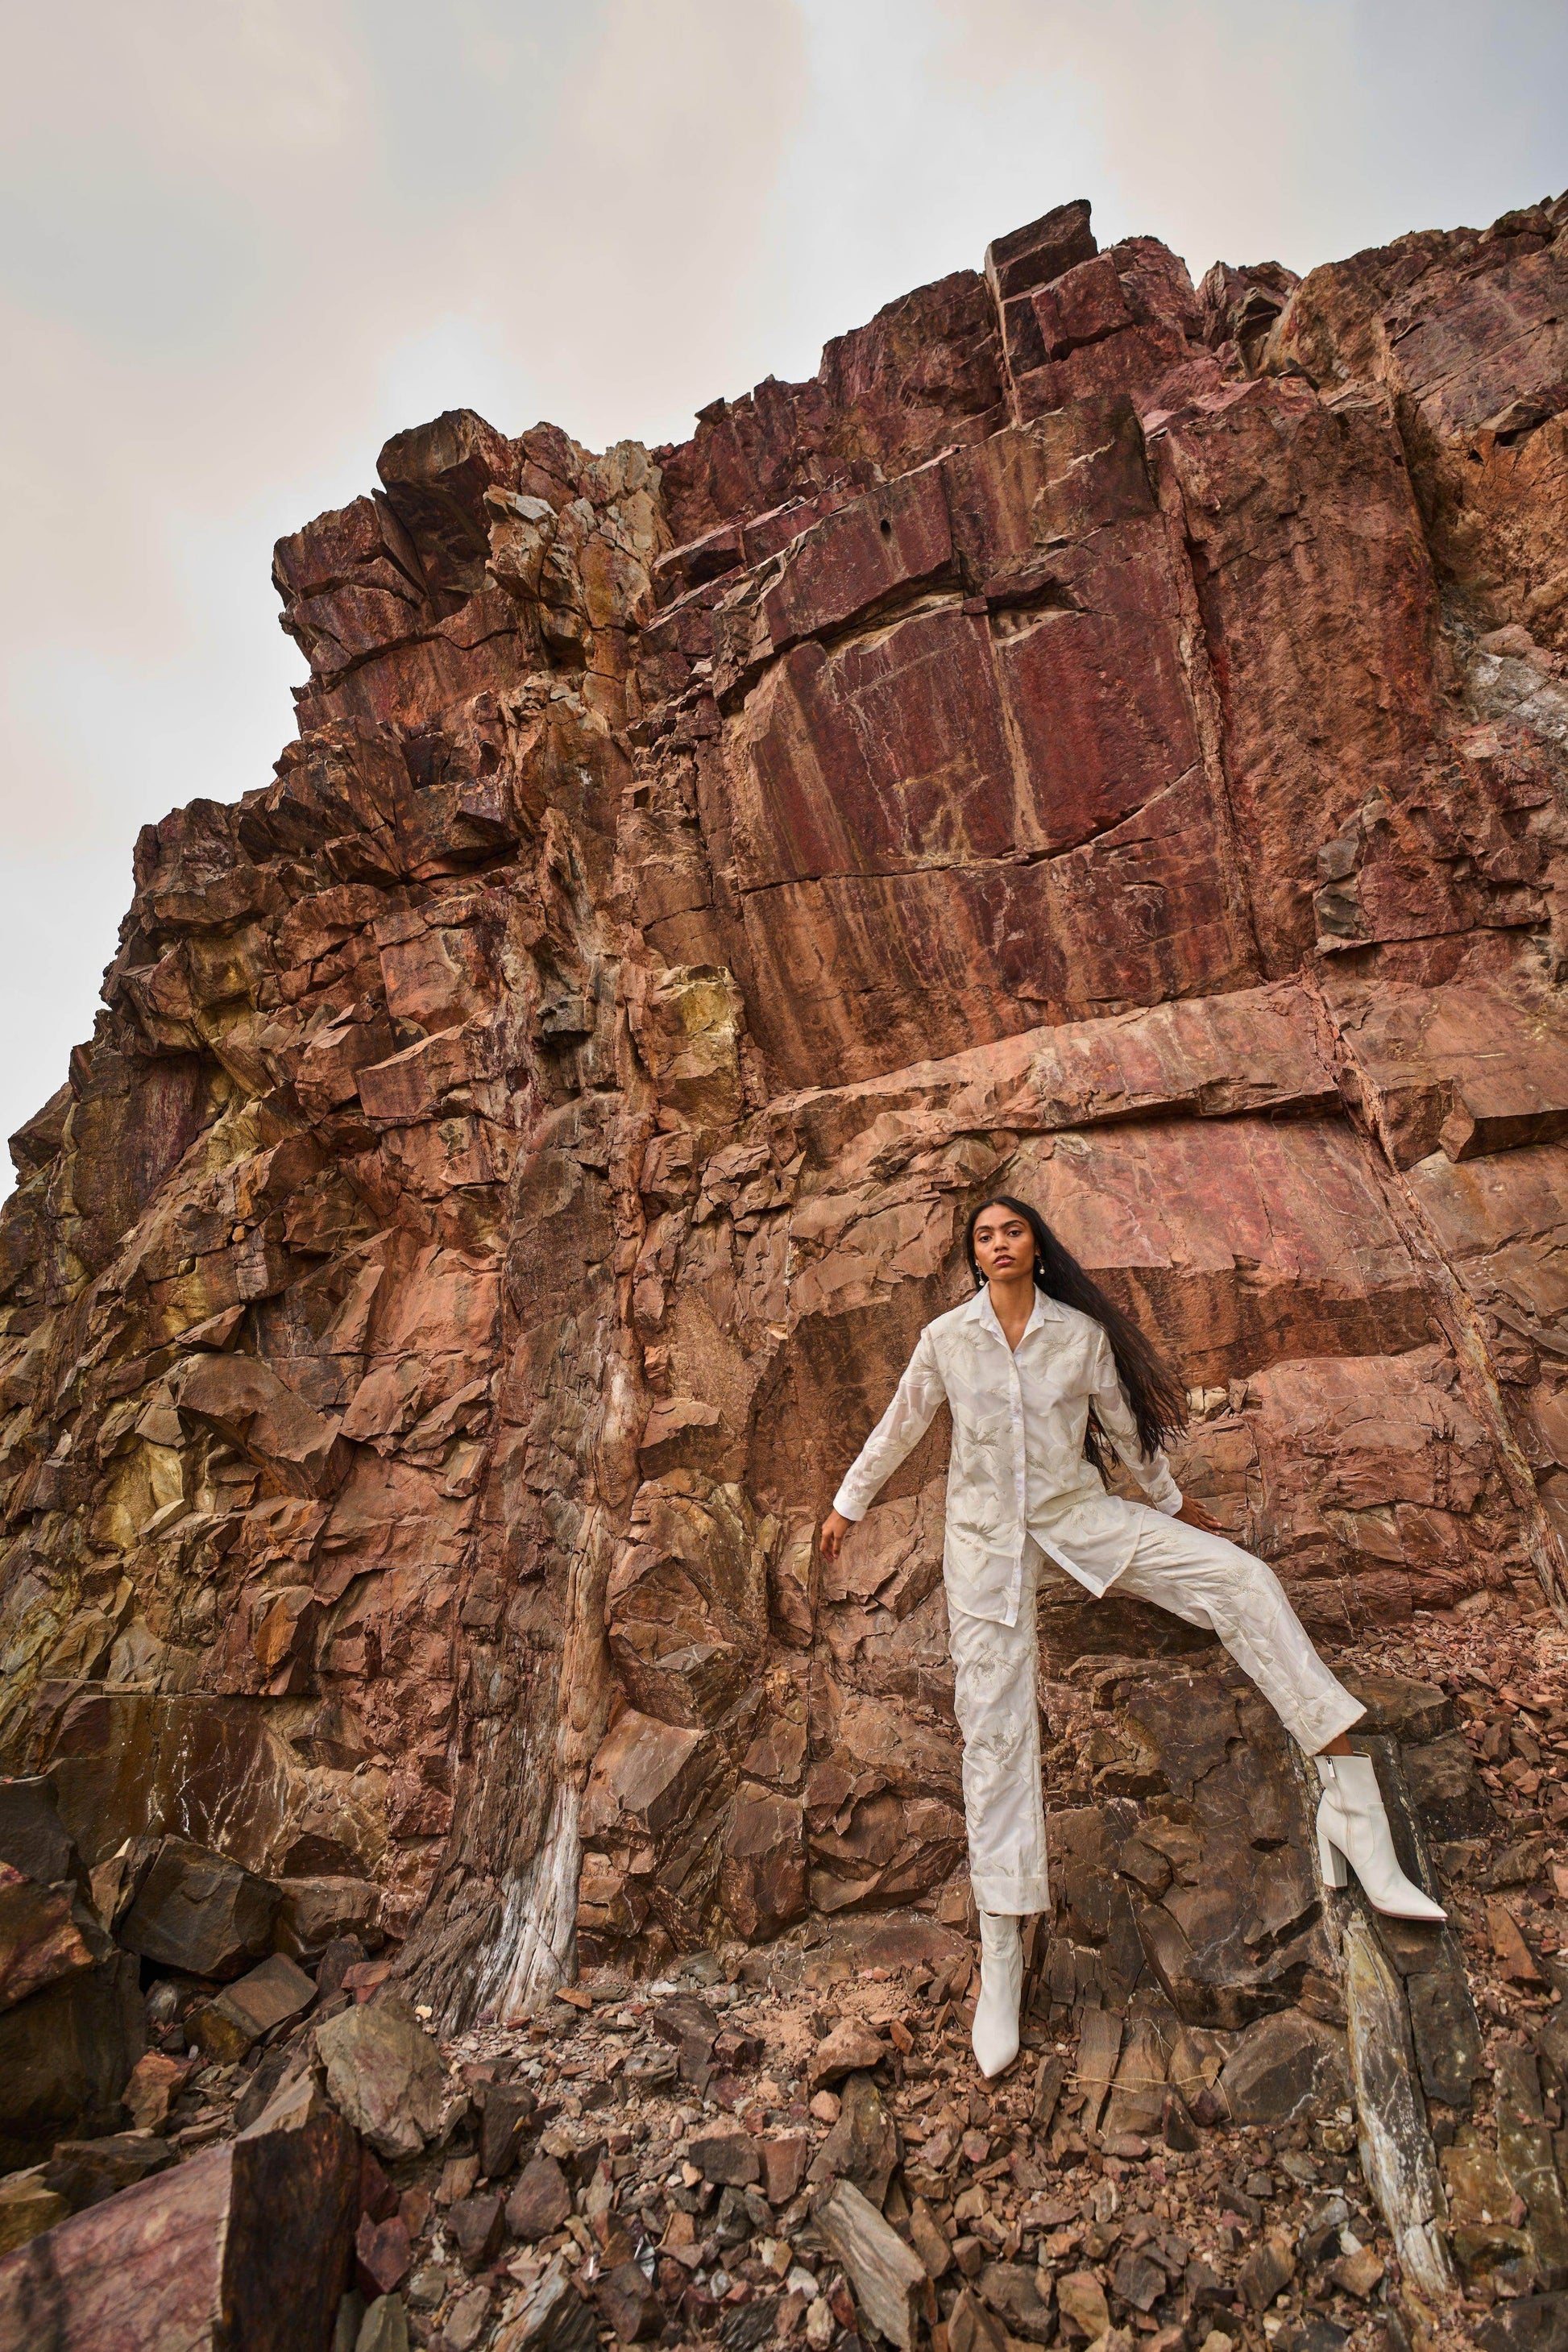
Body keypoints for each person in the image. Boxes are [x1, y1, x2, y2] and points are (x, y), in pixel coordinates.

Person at [819, 1195, 1443, 2080]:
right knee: (994, 1732)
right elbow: (901, 1423)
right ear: (974, 1257)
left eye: (1011, 1230)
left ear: (1037, 1247)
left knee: (1244, 1580)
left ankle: (1350, 1803)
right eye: (984, 1236)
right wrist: (847, 1504)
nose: (998, 1243)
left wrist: (1174, 1505)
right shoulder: (945, 1339)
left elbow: (1124, 1433)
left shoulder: (1079, 1336)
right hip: (984, 1546)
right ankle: (1003, 1952)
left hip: (1080, 1519)